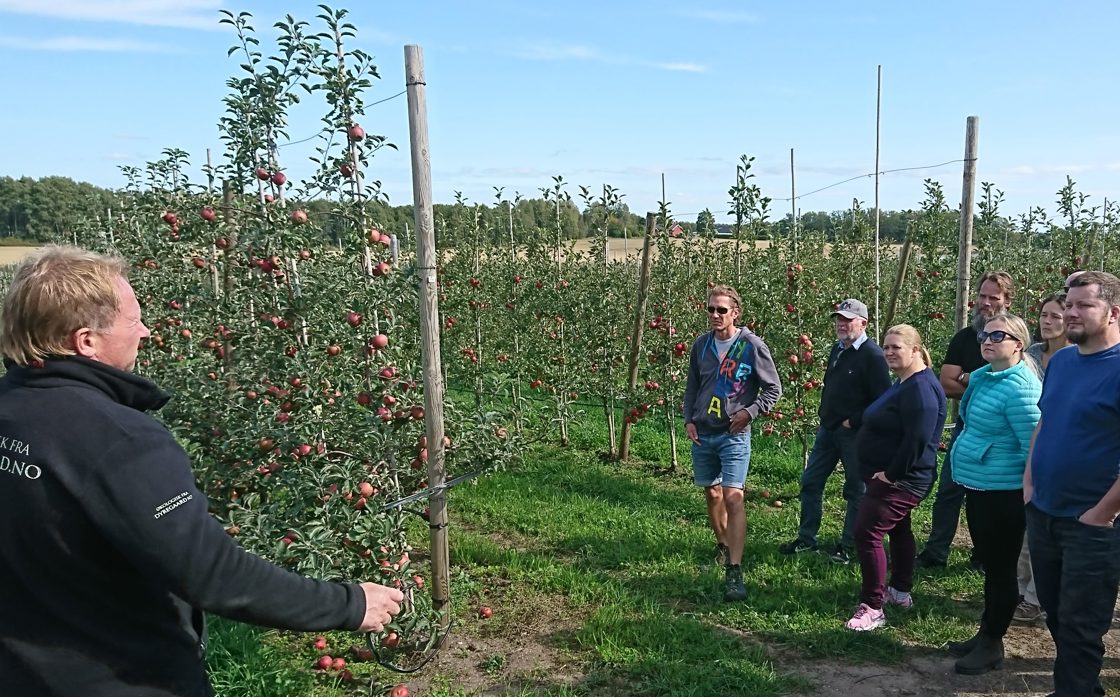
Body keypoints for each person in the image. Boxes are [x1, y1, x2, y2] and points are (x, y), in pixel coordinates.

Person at [0, 247, 404, 697]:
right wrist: (349, 604)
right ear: (87, 341)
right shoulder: (120, 442)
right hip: (122, 678)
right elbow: (214, 575)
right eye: (134, 321)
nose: (146, 332)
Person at [1024, 270, 1120, 697]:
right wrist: (1029, 482)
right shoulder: (1062, 361)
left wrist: (1102, 513)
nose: (1071, 312)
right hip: (1044, 510)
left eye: (1085, 305)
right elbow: (1046, 421)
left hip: (1092, 523)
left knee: (1082, 625)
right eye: (1069, 304)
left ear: (1113, 313)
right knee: (1057, 614)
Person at [945, 313, 1041, 674]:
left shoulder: (1020, 388)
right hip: (981, 484)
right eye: (985, 335)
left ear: (1018, 344)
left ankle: (992, 643)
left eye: (998, 336)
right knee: (991, 565)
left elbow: (1033, 446)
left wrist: (1027, 491)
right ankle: (986, 632)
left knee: (1001, 570)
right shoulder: (986, 376)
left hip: (1004, 491)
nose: (987, 340)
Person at [844, 325, 947, 631]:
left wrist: (890, 475)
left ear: (915, 350)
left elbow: (917, 441)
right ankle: (900, 591)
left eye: (896, 347)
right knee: (899, 530)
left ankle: (873, 606)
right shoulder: (906, 382)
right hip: (892, 476)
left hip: (902, 480)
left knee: (867, 533)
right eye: (886, 347)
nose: (888, 352)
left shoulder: (921, 390)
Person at [683, 284, 782, 602]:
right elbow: (692, 386)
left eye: (721, 310)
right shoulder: (701, 346)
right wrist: (688, 419)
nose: (715, 315)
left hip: (734, 434)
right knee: (712, 494)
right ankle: (723, 546)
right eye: (711, 309)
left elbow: (773, 389)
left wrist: (750, 412)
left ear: (735, 313)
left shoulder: (751, 346)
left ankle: (735, 570)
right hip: (703, 433)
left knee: (733, 497)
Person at [778, 298, 890, 563]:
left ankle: (849, 545)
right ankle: (806, 539)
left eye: (847, 320)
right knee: (811, 482)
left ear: (863, 323)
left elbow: (883, 399)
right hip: (828, 430)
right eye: (839, 319)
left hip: (854, 434)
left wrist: (855, 420)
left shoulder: (873, 356)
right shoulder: (837, 349)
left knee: (856, 489)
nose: (841, 324)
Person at [916, 271, 1014, 569]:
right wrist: (987, 389)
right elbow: (946, 383)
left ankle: (983, 554)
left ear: (1007, 301)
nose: (985, 303)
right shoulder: (965, 338)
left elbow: (1016, 385)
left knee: (989, 496)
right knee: (949, 489)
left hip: (1003, 433)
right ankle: (936, 552)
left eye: (993, 297)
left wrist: (969, 379)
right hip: (967, 427)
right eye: (982, 296)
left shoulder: (1016, 339)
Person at [1015, 293, 1070, 623]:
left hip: (1061, 449)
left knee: (1050, 528)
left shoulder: (1076, 358)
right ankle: (1023, 591)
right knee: (1029, 526)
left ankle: (1037, 598)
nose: (1046, 322)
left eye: (1055, 316)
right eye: (1044, 315)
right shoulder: (1032, 353)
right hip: (1030, 443)